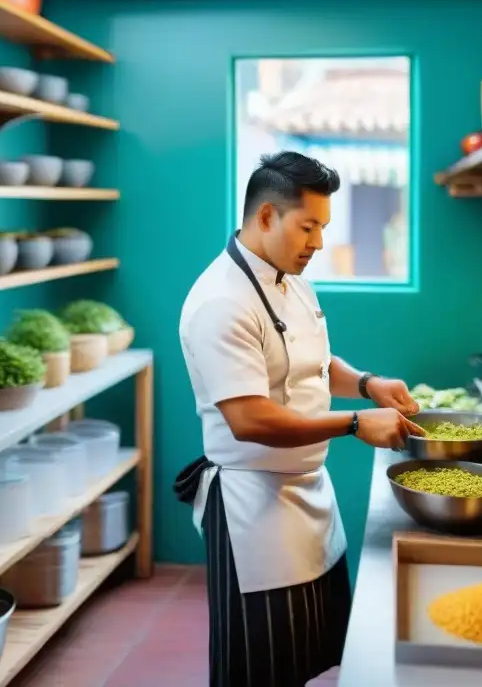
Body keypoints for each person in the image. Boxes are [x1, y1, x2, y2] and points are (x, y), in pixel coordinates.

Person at [175, 151, 423, 687]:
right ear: (266, 216)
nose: (318, 242)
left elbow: (306, 360)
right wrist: (357, 423)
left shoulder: (290, 276)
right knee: (258, 669)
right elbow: (249, 418)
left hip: (306, 494)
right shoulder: (221, 301)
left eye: (323, 228)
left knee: (306, 655)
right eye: (308, 227)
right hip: (253, 508)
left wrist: (365, 383)